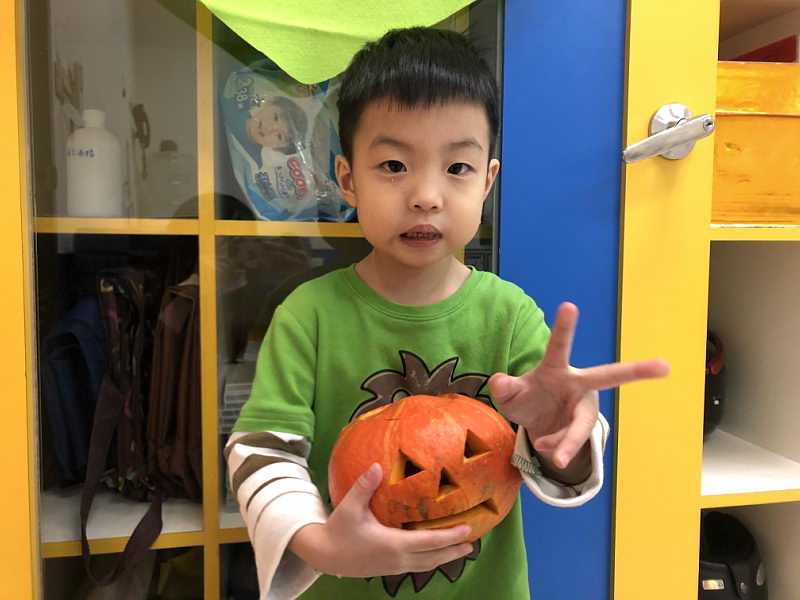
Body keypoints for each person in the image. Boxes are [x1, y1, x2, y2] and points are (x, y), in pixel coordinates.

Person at [225, 27, 669, 599]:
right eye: (393, 165)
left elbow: (565, 470)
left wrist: (556, 431)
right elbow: (264, 450)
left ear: (487, 181)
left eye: (457, 168)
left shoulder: (509, 315)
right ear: (347, 180)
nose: (426, 196)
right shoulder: (308, 315)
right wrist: (318, 544)